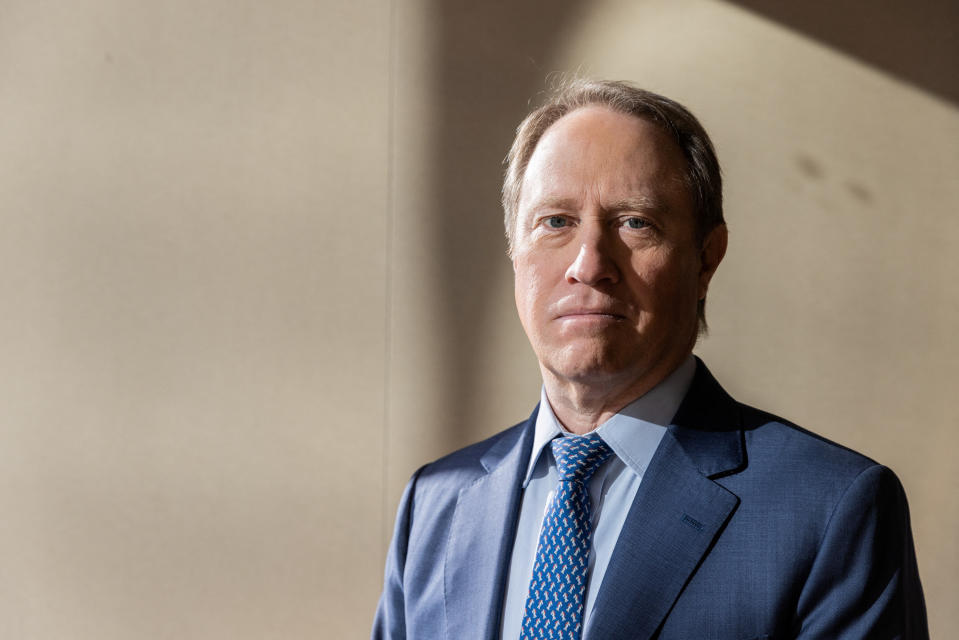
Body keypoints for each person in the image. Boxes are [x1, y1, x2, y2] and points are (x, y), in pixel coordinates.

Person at [372, 79, 928, 639]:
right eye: (555, 222)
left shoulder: (830, 509)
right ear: (514, 251)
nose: (589, 265)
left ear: (706, 259)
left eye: (635, 222)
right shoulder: (436, 504)